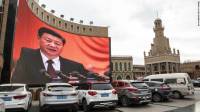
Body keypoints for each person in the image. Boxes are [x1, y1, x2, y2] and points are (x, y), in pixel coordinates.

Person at [11, 27, 88, 84]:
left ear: (62, 47)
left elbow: (88, 82)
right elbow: (17, 82)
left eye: (57, 43)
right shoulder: (27, 57)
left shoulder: (75, 67)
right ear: (39, 38)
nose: (52, 45)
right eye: (48, 41)